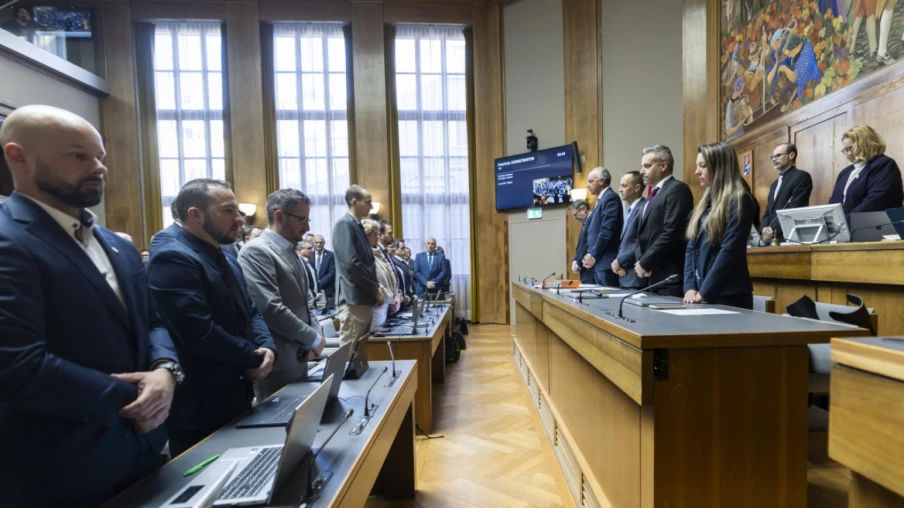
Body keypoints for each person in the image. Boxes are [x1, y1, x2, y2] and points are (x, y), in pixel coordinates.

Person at [0, 105, 180, 506]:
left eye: (100, 156)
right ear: (19, 156)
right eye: (78, 156)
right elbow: (17, 365)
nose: (98, 168)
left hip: (144, 454)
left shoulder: (116, 243)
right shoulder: (9, 240)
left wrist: (165, 372)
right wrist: (137, 397)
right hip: (63, 470)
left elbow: (152, 322)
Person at [147, 178, 276, 456]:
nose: (239, 219)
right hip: (201, 403)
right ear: (195, 215)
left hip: (236, 390)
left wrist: (268, 347)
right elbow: (199, 332)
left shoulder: (226, 253)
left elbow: (250, 308)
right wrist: (253, 356)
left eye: (238, 211)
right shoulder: (173, 256)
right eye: (228, 211)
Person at [237, 189, 325, 401]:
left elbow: (308, 302)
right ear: (279, 216)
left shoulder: (292, 252)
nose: (307, 227)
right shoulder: (256, 251)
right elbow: (270, 307)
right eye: (301, 219)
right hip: (278, 362)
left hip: (301, 355)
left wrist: (314, 339)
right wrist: (312, 339)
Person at [684, 142, 755, 309]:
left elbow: (730, 251)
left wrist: (704, 292)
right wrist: (689, 288)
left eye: (703, 166)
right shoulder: (705, 203)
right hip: (701, 294)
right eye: (697, 166)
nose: (696, 171)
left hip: (728, 296)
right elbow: (690, 248)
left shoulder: (739, 200)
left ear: (719, 167)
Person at [633, 145, 694, 296]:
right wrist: (641, 262)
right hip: (652, 276)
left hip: (670, 276)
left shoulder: (677, 189)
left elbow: (672, 232)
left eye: (647, 166)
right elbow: (643, 235)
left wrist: (645, 262)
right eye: (642, 167)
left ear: (663, 166)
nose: (641, 171)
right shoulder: (653, 196)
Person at [332, 185, 382, 346]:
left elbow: (368, 264)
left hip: (362, 298)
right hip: (353, 299)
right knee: (349, 355)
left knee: (359, 356)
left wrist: (376, 289)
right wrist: (374, 290)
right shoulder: (344, 224)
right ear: (354, 201)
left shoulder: (357, 225)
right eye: (368, 202)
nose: (371, 206)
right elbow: (351, 264)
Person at [829, 125, 904, 220]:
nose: (849, 153)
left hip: (875, 228)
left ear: (867, 144)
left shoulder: (884, 164)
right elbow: (834, 203)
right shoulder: (845, 173)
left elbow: (875, 202)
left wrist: (845, 223)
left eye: (852, 148)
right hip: (847, 229)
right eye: (846, 149)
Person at [760, 143, 813, 245]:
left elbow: (795, 207)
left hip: (789, 237)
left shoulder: (801, 177)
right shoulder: (774, 184)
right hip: (770, 239)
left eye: (778, 155)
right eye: (772, 157)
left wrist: (772, 229)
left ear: (791, 155)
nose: (774, 159)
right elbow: (769, 210)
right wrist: (764, 228)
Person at [581, 167, 623, 287]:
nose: (587, 185)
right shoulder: (600, 200)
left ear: (601, 181)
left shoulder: (610, 198)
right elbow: (592, 233)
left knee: (607, 303)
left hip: (606, 262)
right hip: (599, 262)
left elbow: (606, 231)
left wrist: (593, 255)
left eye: (590, 181)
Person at [611, 172, 647, 289]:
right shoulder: (630, 210)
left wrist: (619, 261)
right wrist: (617, 262)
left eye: (624, 186)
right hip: (625, 274)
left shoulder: (643, 208)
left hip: (636, 276)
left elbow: (641, 242)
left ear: (637, 188)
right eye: (620, 185)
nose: (620, 189)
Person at [364, 219, 399, 329]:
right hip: (376, 305)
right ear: (366, 236)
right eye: (375, 234)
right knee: (376, 339)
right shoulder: (365, 254)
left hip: (386, 303)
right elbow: (371, 279)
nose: (377, 237)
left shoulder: (378, 252)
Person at [569, 200, 596, 284]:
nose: (574, 218)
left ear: (583, 209)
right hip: (585, 271)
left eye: (575, 214)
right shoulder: (585, 223)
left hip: (591, 270)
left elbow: (588, 244)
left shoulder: (593, 221)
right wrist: (575, 260)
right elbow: (580, 246)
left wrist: (578, 262)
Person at [312, 234, 336, 305]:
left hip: (327, 290)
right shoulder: (310, 255)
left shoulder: (331, 255)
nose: (318, 244)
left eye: (320, 242)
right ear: (313, 243)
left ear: (324, 243)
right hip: (313, 290)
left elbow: (331, 272)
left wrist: (319, 283)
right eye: (316, 242)